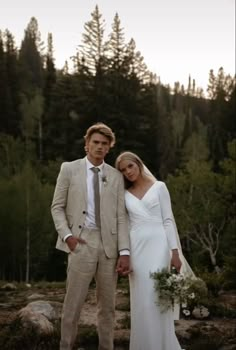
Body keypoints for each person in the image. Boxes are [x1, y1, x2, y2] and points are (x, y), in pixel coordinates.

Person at [51, 123, 130, 350]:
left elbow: (121, 216)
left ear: (109, 148)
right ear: (86, 145)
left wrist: (124, 252)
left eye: (104, 144)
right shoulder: (69, 169)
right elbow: (56, 207)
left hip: (109, 248)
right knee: (73, 304)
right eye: (95, 142)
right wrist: (68, 237)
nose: (99, 147)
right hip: (80, 242)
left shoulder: (115, 176)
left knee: (108, 307)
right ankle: (66, 346)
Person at [115, 151, 192, 350]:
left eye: (130, 166)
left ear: (138, 164)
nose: (128, 172)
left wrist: (174, 252)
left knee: (158, 297)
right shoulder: (123, 195)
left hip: (160, 246)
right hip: (136, 248)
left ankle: (163, 345)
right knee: (141, 300)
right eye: (123, 170)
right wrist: (125, 254)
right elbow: (123, 225)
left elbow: (168, 220)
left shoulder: (159, 187)